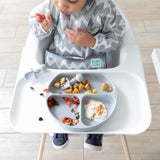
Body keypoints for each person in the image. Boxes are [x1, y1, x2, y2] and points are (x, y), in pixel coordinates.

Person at [29, 0, 125, 151]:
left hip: (92, 63)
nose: (61, 6)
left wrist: (93, 41)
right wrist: (43, 27)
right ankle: (60, 125)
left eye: (72, 1)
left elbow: (118, 35)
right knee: (56, 94)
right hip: (58, 62)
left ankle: (95, 125)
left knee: (97, 89)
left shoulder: (104, 6)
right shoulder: (50, 6)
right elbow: (35, 30)